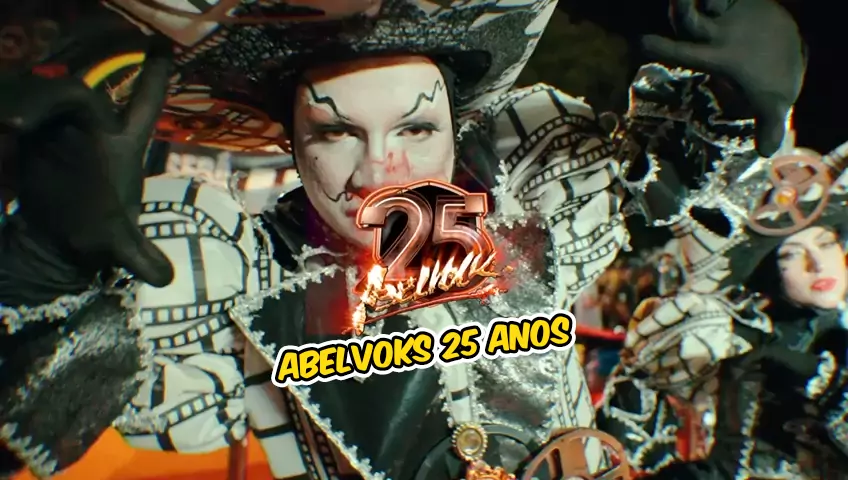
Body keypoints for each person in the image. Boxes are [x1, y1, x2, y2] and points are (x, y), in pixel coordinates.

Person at [0, 0, 806, 478]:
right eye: (336, 132)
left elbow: (673, 172)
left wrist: (739, 102)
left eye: (416, 127)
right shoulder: (244, 277)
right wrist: (43, 278)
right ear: (291, 145)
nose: (383, 167)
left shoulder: (531, 206)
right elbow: (49, 410)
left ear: (459, 125)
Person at [599, 143, 848, 479]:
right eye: (790, 254)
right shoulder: (732, 345)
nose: (816, 264)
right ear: (770, 274)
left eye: (826, 243)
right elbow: (629, 431)